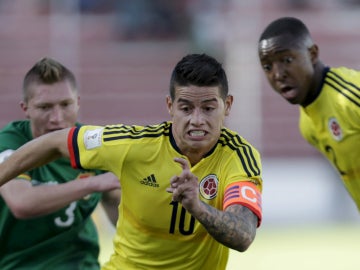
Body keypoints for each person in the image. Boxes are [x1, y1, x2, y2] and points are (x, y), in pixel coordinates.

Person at [0, 53, 263, 270]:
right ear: (170, 106)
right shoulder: (131, 145)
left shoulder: (239, 156)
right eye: (185, 108)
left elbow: (243, 235)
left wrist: (197, 206)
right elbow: (56, 142)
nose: (196, 120)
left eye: (208, 108)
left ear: (227, 106)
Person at [0, 57, 121, 270]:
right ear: (25, 108)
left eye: (65, 105)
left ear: (78, 102)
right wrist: (93, 184)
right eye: (45, 107)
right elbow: (21, 203)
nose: (57, 118)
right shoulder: (9, 143)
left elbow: (118, 208)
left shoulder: (92, 144)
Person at [258, 17, 360, 210]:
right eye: (267, 66)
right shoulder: (307, 124)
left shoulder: (349, 97)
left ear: (312, 54)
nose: (278, 74)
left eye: (287, 60)